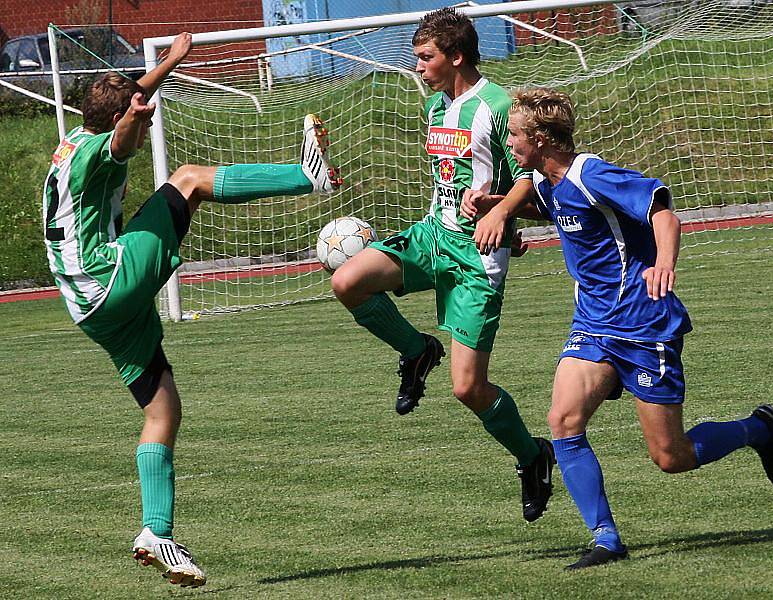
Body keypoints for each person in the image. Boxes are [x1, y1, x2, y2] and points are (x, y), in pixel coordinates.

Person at [42, 32, 341, 587]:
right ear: (118, 119)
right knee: (188, 180)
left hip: (89, 308)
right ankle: (307, 175)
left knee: (162, 410)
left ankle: (156, 532)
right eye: (138, 112)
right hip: (110, 277)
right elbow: (121, 137)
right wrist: (134, 117)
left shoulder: (71, 141)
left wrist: (169, 65)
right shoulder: (94, 152)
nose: (147, 117)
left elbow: (121, 110)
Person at [472, 86, 773, 569]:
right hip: (594, 325)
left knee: (671, 456)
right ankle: (605, 538)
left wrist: (663, 264)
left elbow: (662, 212)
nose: (510, 141)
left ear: (542, 138)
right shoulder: (549, 181)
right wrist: (497, 205)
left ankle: (757, 429)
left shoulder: (591, 174)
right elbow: (549, 206)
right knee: (563, 422)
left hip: (645, 325)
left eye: (515, 134)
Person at [330, 7, 555, 523]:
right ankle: (416, 351)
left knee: (467, 388)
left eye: (425, 57)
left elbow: (532, 179)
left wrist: (501, 214)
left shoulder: (497, 105)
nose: (418, 66)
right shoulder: (434, 107)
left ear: (456, 56)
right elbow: (450, 181)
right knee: (348, 282)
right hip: (434, 235)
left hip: (478, 257)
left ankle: (531, 456)